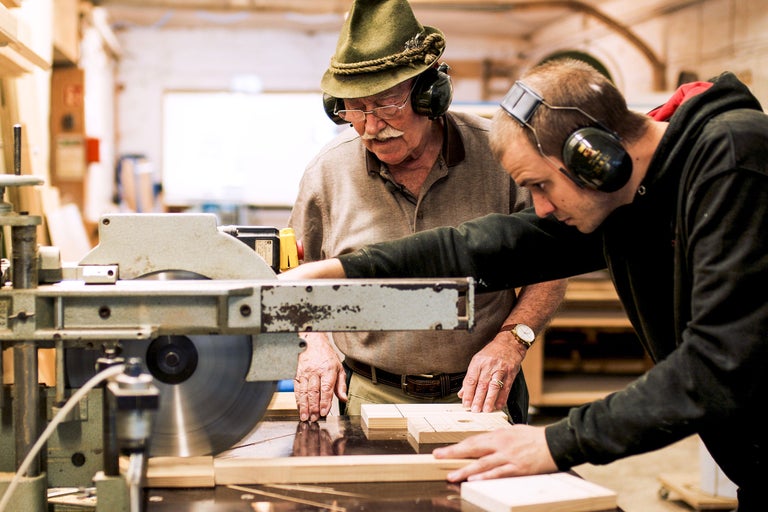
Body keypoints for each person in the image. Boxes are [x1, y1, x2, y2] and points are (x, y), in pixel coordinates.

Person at [280, 57, 768, 510]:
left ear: (592, 157)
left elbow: (716, 366)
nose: (540, 208)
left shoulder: (734, 162)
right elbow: (486, 246)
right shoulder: (637, 194)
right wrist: (345, 271)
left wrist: (554, 442)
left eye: (539, 185)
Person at [287, 0, 567, 424]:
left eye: (385, 104)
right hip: (367, 391)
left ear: (429, 93)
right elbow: (297, 281)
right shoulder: (328, 172)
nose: (371, 127)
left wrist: (513, 340)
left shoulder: (500, 155)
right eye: (354, 109)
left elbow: (551, 265)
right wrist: (316, 343)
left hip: (481, 392)